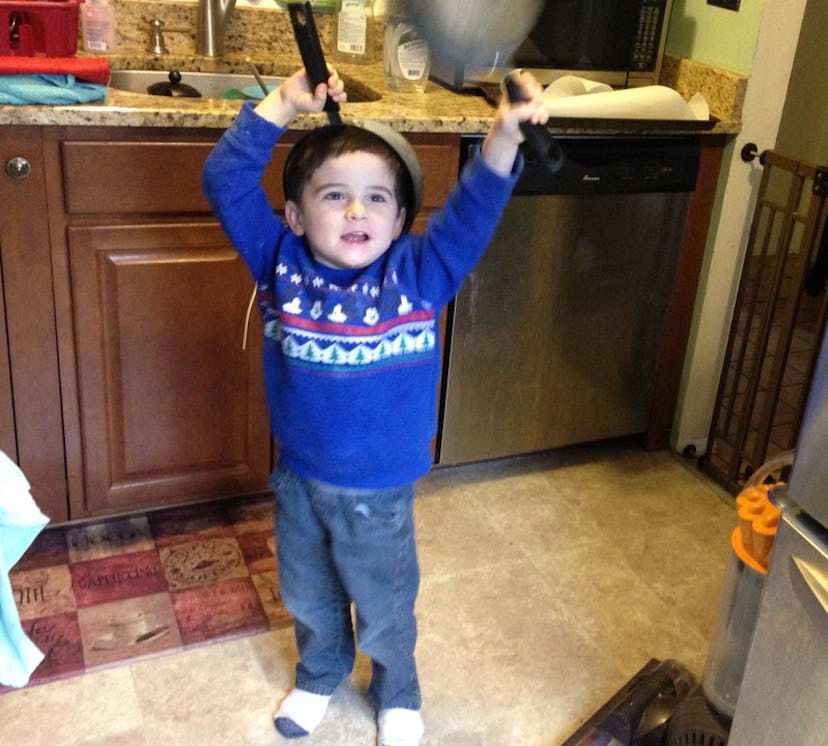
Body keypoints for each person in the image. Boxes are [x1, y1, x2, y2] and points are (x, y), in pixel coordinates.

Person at [202, 65, 548, 746]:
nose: (356, 212)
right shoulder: (279, 262)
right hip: (299, 480)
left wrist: (505, 133)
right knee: (308, 595)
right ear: (296, 216)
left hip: (380, 492)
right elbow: (224, 181)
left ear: (399, 218)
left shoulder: (420, 273)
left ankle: (397, 687)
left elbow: (475, 207)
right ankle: (321, 672)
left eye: (376, 199)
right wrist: (281, 104)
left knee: (386, 607)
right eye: (335, 196)